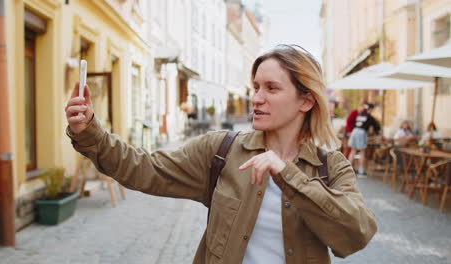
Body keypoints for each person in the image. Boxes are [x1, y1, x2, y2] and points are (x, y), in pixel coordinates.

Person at [65, 45, 377, 263]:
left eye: (271, 88)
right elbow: (144, 169)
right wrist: (90, 131)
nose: (256, 98)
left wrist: (287, 175)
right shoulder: (222, 151)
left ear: (306, 101)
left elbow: (355, 234)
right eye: (255, 87)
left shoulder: (330, 166)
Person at [348, 103, 380, 178]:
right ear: (371, 109)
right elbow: (377, 127)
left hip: (354, 131)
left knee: (353, 151)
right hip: (361, 133)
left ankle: (348, 171)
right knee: (362, 152)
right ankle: (361, 171)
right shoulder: (369, 117)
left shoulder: (360, 115)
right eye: (373, 109)